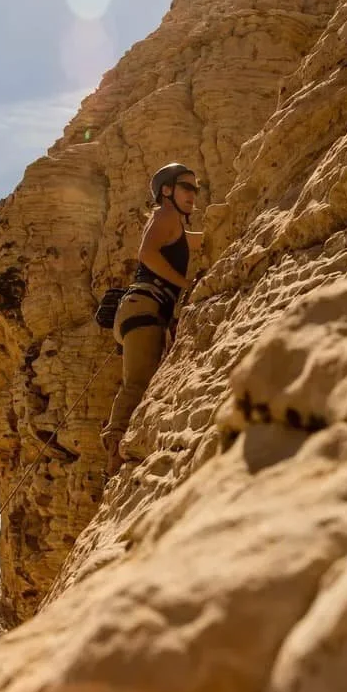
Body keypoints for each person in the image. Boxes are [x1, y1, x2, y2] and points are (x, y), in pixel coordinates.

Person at [101, 162, 203, 476]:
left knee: (139, 380)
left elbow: (199, 238)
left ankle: (121, 448)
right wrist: (185, 284)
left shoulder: (172, 223)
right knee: (137, 383)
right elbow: (147, 254)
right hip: (145, 306)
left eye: (196, 189)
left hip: (141, 308)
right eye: (186, 187)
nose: (193, 194)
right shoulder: (166, 215)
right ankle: (115, 453)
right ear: (167, 191)